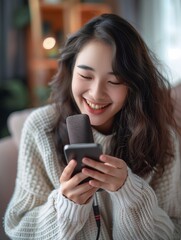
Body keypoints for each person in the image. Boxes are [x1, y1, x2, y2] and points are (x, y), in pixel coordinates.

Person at [4, 13, 181, 240]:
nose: (96, 93)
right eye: (85, 75)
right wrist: (67, 205)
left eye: (115, 81)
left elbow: (175, 229)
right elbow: (19, 227)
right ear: (70, 71)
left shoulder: (163, 138)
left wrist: (129, 193)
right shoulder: (41, 127)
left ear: (134, 85)